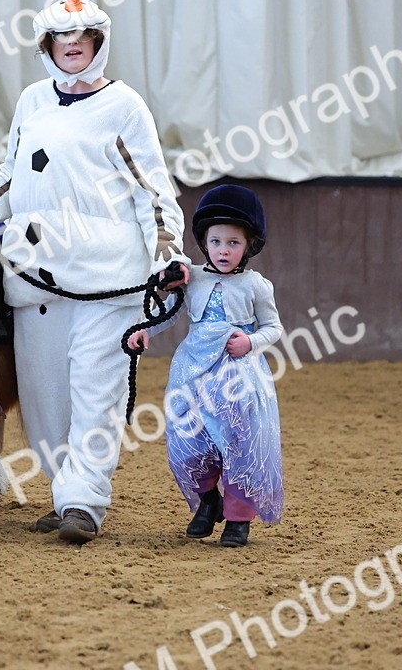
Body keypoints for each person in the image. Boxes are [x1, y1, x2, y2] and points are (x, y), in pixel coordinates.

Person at [0, 0, 190, 544]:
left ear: (99, 43)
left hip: (108, 278)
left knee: (94, 390)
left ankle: (85, 500)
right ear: (46, 45)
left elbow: (154, 191)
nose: (71, 45)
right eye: (60, 37)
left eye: (81, 37)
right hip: (33, 274)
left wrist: (168, 252)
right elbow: (11, 174)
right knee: (43, 396)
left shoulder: (125, 106)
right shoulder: (32, 100)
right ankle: (62, 488)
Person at [127, 184, 284, 548]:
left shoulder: (256, 285)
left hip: (237, 373)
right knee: (187, 436)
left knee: (240, 438)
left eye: (233, 243)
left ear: (248, 247)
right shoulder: (192, 278)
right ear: (204, 242)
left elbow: (273, 327)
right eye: (216, 242)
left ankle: (239, 517)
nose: (223, 250)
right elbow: (171, 311)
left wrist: (251, 342)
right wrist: (145, 329)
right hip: (192, 371)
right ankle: (208, 499)